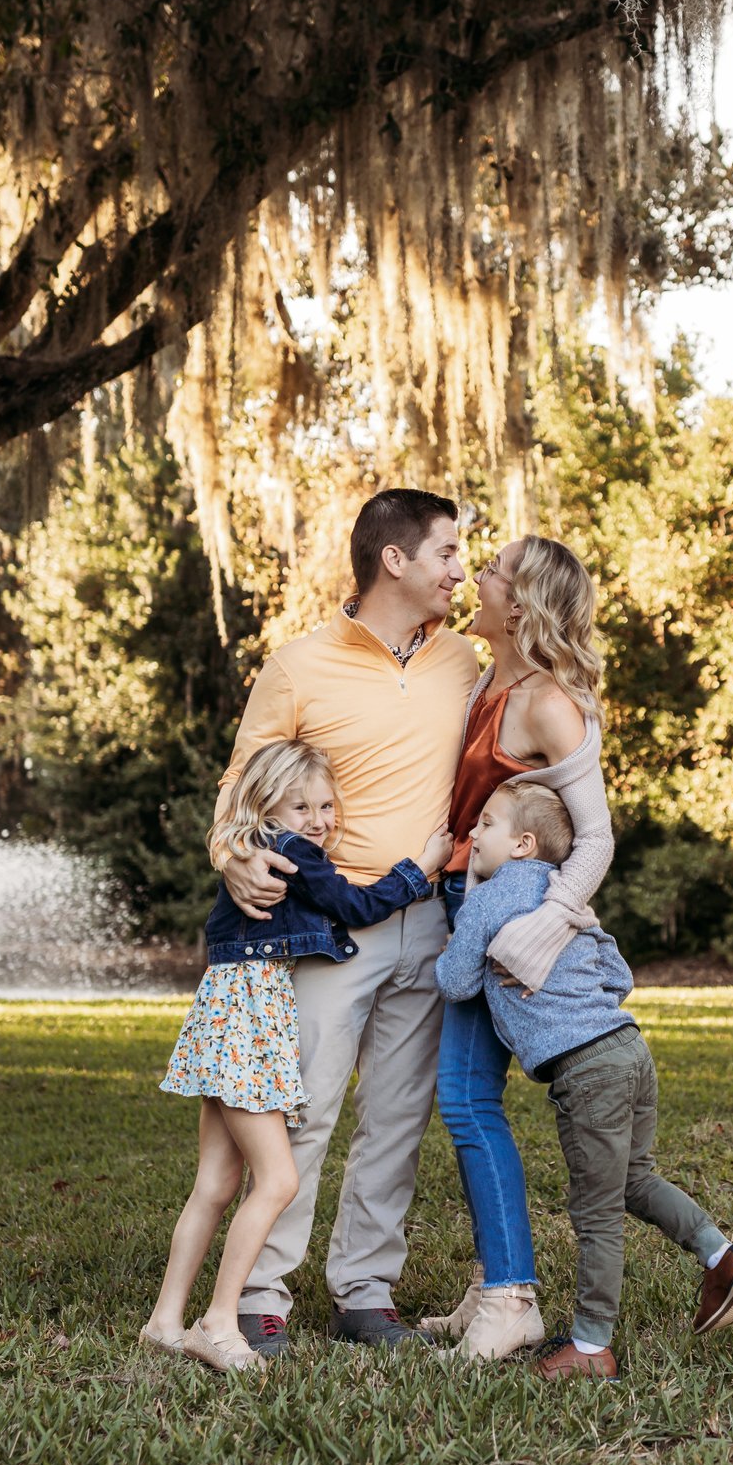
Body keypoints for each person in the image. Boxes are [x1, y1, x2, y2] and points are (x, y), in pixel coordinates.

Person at [213, 488, 482, 1354]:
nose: (459, 568)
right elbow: (238, 788)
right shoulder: (298, 664)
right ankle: (260, 1293)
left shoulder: (464, 663)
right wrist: (232, 854)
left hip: (432, 922)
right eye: (446, 552)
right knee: (307, 1109)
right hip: (330, 925)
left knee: (398, 1119)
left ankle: (365, 1292)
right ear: (394, 560)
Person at [436, 781, 733, 1382]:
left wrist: (465, 930)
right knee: (634, 1180)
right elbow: (618, 972)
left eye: (485, 824)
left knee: (596, 1215)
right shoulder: (570, 900)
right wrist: (578, 997)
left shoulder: (489, 899)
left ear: (521, 844)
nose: (472, 834)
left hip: (586, 1070)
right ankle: (723, 1255)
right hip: (628, 1048)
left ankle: (591, 1347)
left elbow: (455, 983)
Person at [144, 740, 452, 1372]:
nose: (319, 819)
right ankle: (220, 1320)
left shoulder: (260, 847)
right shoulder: (293, 854)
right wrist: (421, 867)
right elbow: (355, 906)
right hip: (250, 1025)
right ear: (267, 807)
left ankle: (164, 1320)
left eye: (327, 805)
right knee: (279, 1179)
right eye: (301, 805)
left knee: (216, 1183)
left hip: (226, 1018)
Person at [419, 536, 615, 1360]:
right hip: (462, 899)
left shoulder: (546, 702)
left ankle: (512, 1297)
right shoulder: (478, 679)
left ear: (524, 601)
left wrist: (542, 927)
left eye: (491, 568)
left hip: (506, 916)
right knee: (464, 1099)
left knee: (467, 1100)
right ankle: (493, 1280)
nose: (475, 576)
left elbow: (597, 838)